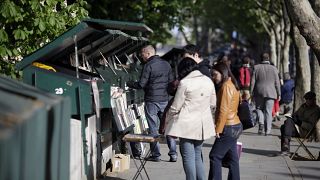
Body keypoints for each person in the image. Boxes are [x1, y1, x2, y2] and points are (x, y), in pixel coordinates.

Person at [165, 57, 216, 180]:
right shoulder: (208, 81)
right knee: (197, 155)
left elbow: (176, 106)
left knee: (188, 156)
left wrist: (168, 120)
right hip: (203, 124)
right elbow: (213, 103)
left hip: (186, 125)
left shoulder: (185, 83)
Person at [127, 45, 177, 162]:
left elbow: (141, 84)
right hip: (165, 99)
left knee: (153, 128)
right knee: (168, 126)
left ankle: (156, 155)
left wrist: (129, 83)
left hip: (151, 101)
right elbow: (171, 82)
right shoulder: (166, 64)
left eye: (142, 54)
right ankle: (173, 154)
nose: (141, 57)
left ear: (148, 53)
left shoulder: (148, 65)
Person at [208, 62, 242, 180]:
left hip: (228, 126)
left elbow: (223, 110)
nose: (213, 77)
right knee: (233, 159)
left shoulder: (226, 86)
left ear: (222, 73)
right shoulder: (232, 84)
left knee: (215, 156)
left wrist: (218, 129)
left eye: (214, 74)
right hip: (235, 125)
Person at [251, 52, 281, 136]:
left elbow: (253, 81)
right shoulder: (274, 68)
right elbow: (277, 82)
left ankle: (261, 122)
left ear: (261, 58)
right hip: (271, 92)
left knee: (258, 108)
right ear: (269, 58)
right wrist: (279, 93)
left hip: (259, 91)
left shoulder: (256, 67)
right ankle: (267, 131)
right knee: (268, 111)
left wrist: (251, 92)